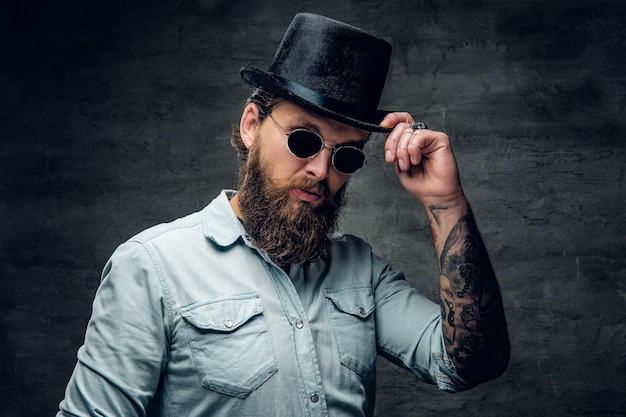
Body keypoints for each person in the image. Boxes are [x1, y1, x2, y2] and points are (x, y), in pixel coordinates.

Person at [57, 12, 510, 417]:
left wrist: (446, 203)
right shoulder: (152, 267)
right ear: (251, 125)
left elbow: (473, 364)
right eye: (304, 140)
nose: (320, 170)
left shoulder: (361, 270)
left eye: (346, 156)